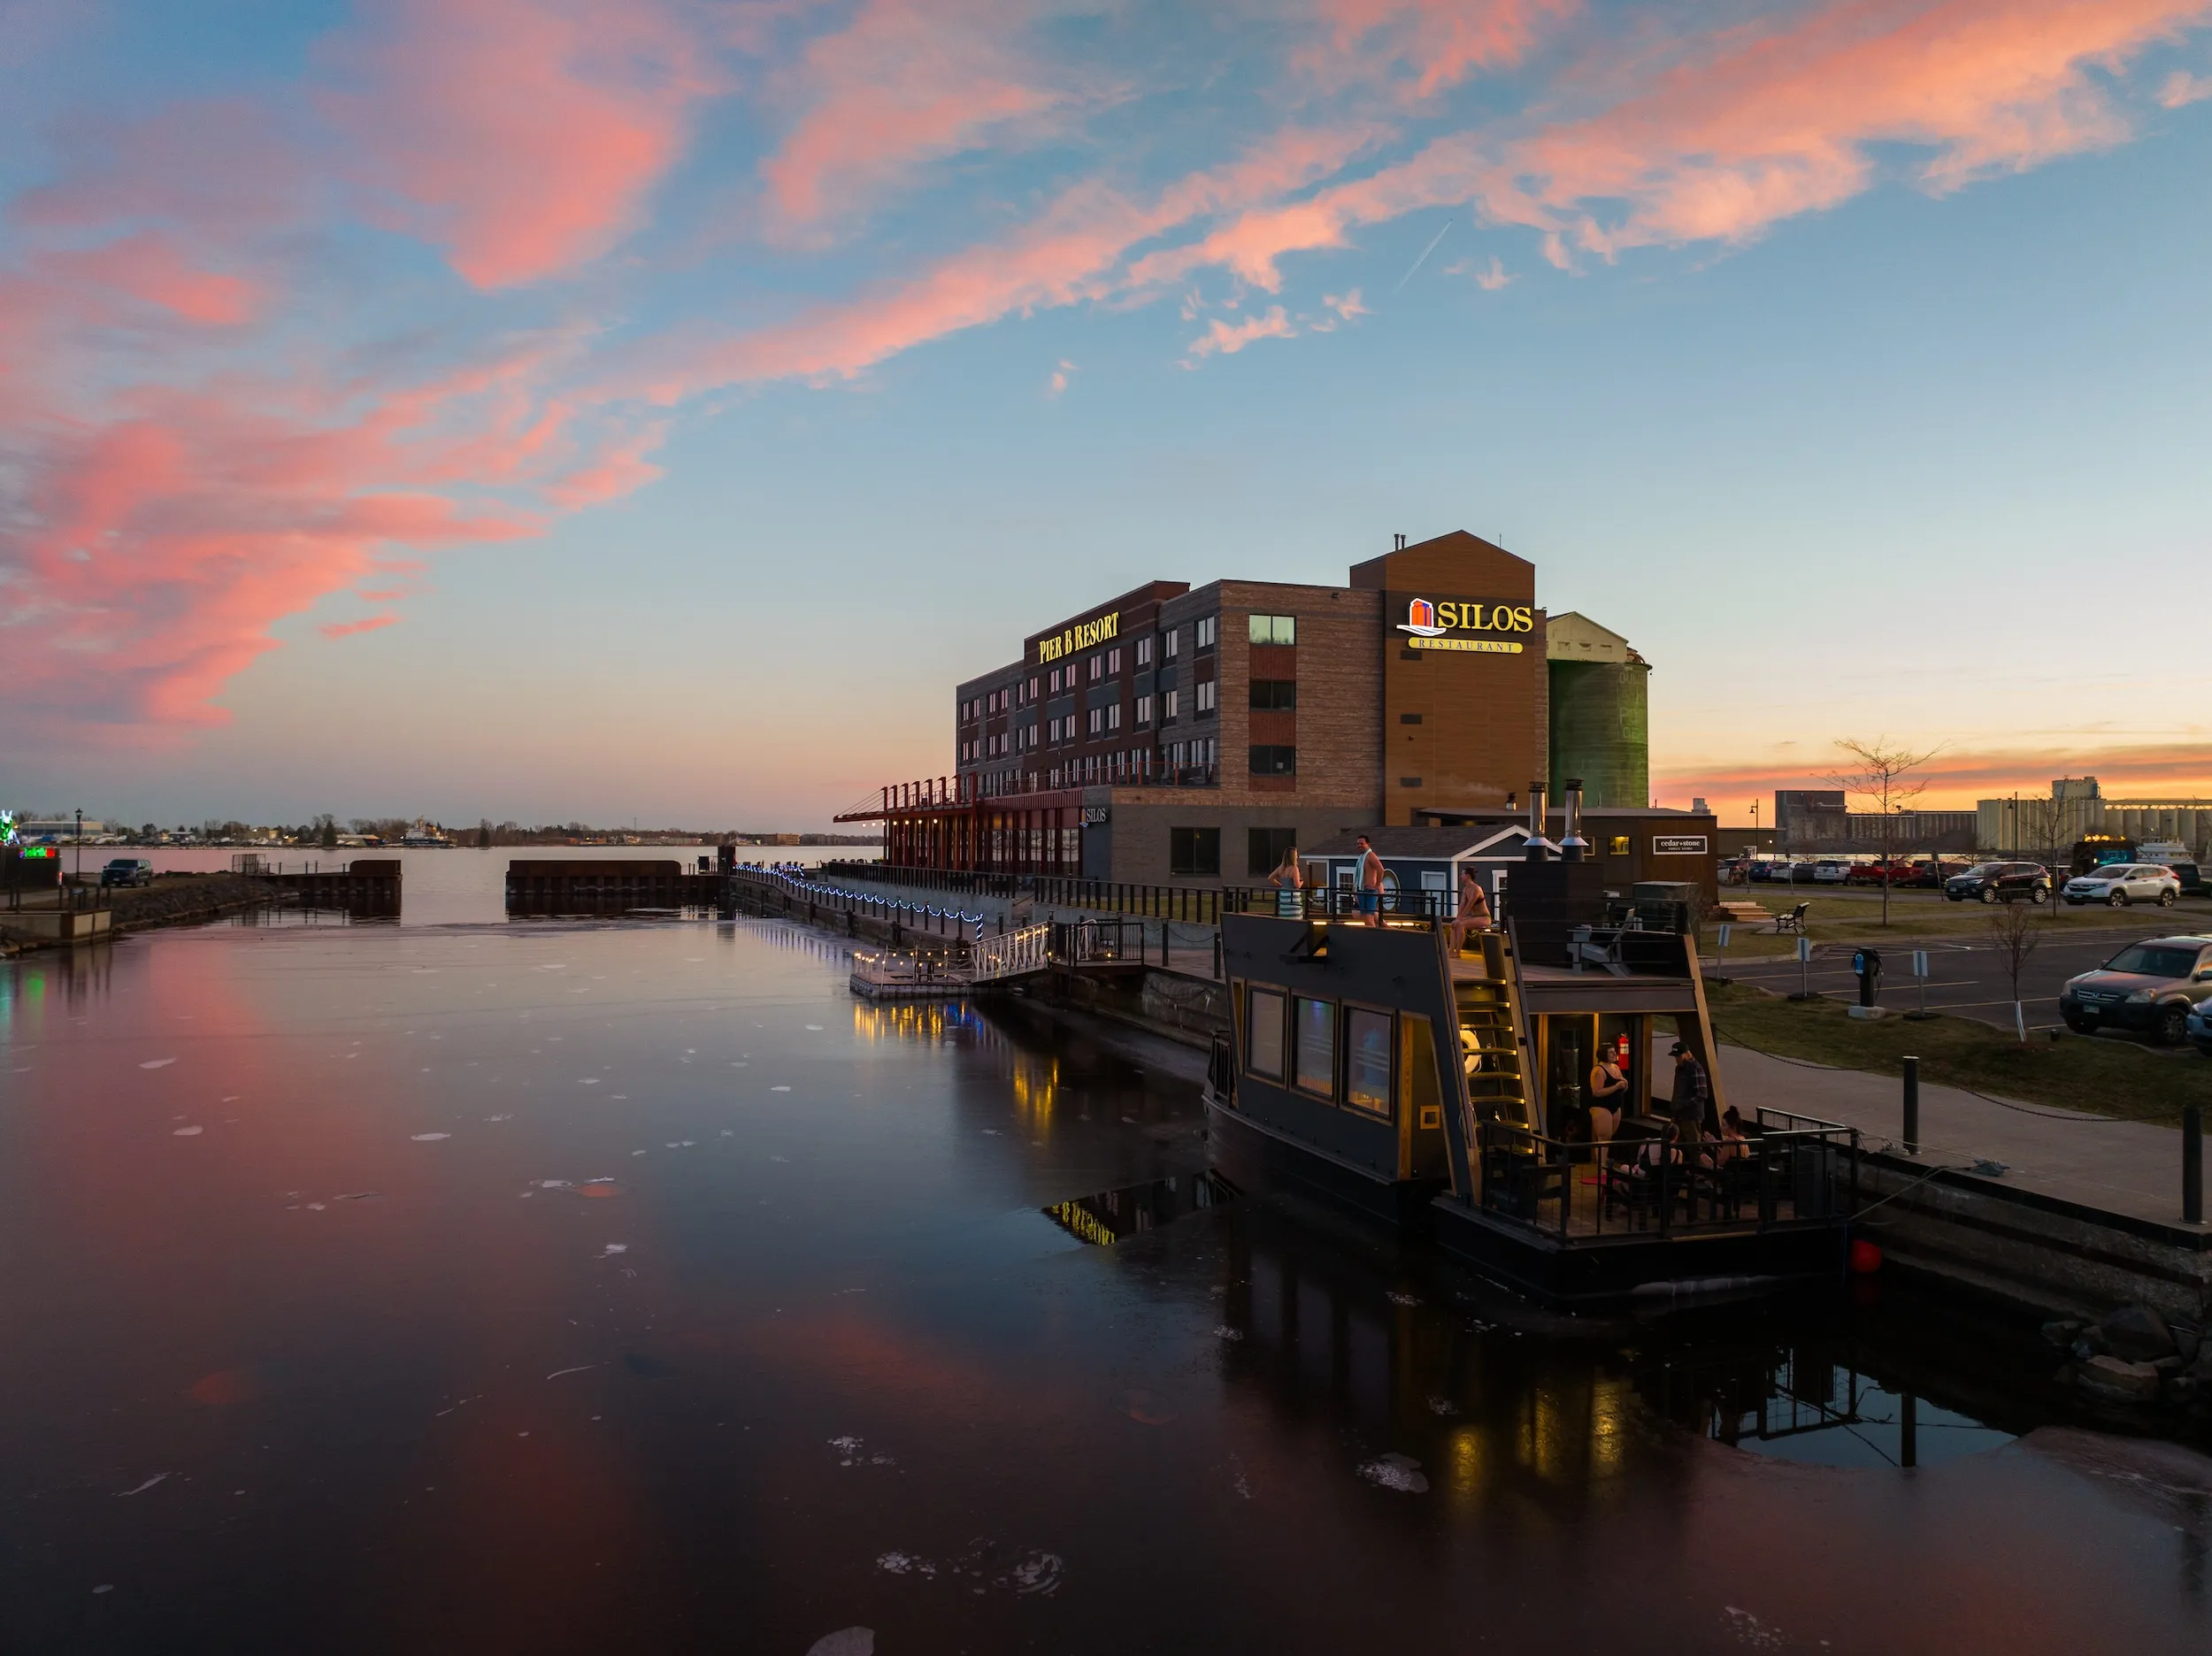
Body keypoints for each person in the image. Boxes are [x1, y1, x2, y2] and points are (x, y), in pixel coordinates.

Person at [1669, 1039, 1715, 1144]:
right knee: (1676, 1145)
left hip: (1691, 1117)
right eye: (1675, 1057)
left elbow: (1702, 1093)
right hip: (1679, 1115)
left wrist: (1685, 1105)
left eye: (1679, 1056)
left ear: (1687, 1054)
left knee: (1694, 1147)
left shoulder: (1695, 1068)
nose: (1677, 1060)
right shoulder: (1679, 1069)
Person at [1587, 1047, 1628, 1144]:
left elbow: (1622, 1088)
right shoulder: (1598, 1070)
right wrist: (1616, 1087)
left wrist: (1625, 1083)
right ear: (1603, 1054)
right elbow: (1597, 1092)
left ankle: (1603, 1158)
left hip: (1616, 1105)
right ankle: (1601, 1159)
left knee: (1609, 1137)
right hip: (1602, 1106)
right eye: (1611, 1052)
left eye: (1614, 1052)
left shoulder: (1615, 1067)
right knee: (1603, 1139)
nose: (1614, 1054)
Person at [1451, 865, 1493, 951]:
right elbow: (1462, 905)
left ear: (1468, 876)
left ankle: (1458, 951)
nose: (1460, 877)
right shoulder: (1465, 889)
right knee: (1454, 924)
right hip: (1474, 917)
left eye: (1462, 874)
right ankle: (1451, 950)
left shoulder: (1476, 889)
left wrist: (1460, 920)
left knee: (1460, 924)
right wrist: (1457, 918)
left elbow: (1469, 905)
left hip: (1484, 917)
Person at [1356, 835, 1386, 928]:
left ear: (1368, 844)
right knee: (1366, 919)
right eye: (1358, 844)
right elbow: (1358, 876)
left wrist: (1376, 885)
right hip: (1361, 890)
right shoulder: (1362, 857)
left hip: (1369, 891)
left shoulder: (1371, 856)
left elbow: (1381, 870)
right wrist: (1355, 892)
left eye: (1362, 843)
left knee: (1368, 919)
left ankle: (1375, 938)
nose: (1359, 845)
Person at [1270, 846, 1303, 919]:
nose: (1297, 857)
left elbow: (1270, 878)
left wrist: (1281, 885)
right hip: (1292, 899)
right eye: (1296, 855)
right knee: (1295, 920)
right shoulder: (1294, 869)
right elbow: (1297, 885)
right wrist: (1302, 882)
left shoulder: (1281, 868)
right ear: (1293, 856)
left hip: (1283, 897)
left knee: (1286, 918)